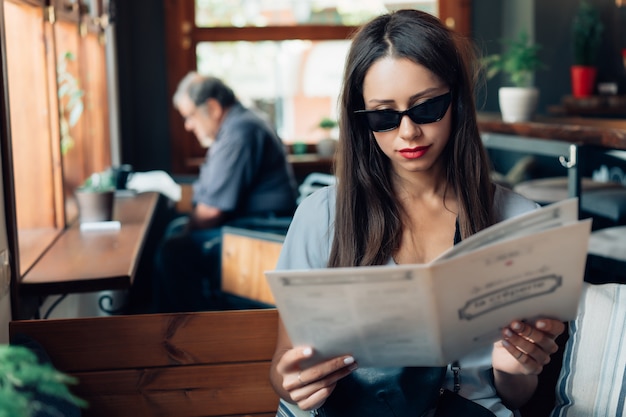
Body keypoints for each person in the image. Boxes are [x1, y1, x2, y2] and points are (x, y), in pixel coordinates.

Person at [269, 9, 565, 417]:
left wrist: (516, 368)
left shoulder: (519, 221)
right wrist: (295, 383)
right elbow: (284, 368)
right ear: (361, 121)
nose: (408, 132)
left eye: (426, 108)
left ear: (456, 101)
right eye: (383, 116)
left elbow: (516, 397)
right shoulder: (321, 217)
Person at [153, 72, 298, 313]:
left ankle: (188, 335)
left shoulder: (240, 132)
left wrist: (188, 228)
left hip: (263, 231)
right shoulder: (238, 124)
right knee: (175, 234)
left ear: (212, 107)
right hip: (253, 225)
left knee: (174, 251)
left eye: (189, 116)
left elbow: (211, 211)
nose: (188, 125)